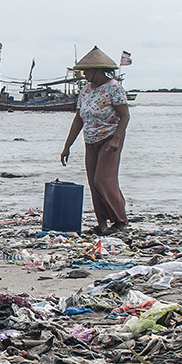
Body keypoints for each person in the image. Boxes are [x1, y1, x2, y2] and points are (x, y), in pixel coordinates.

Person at [60, 46, 130, 236]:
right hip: (90, 140)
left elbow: (124, 116)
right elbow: (78, 119)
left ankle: (120, 221)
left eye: (87, 71)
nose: (84, 75)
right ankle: (102, 224)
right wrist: (67, 146)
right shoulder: (85, 91)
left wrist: (116, 139)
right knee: (93, 181)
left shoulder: (114, 88)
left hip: (109, 139)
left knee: (104, 180)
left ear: (97, 70)